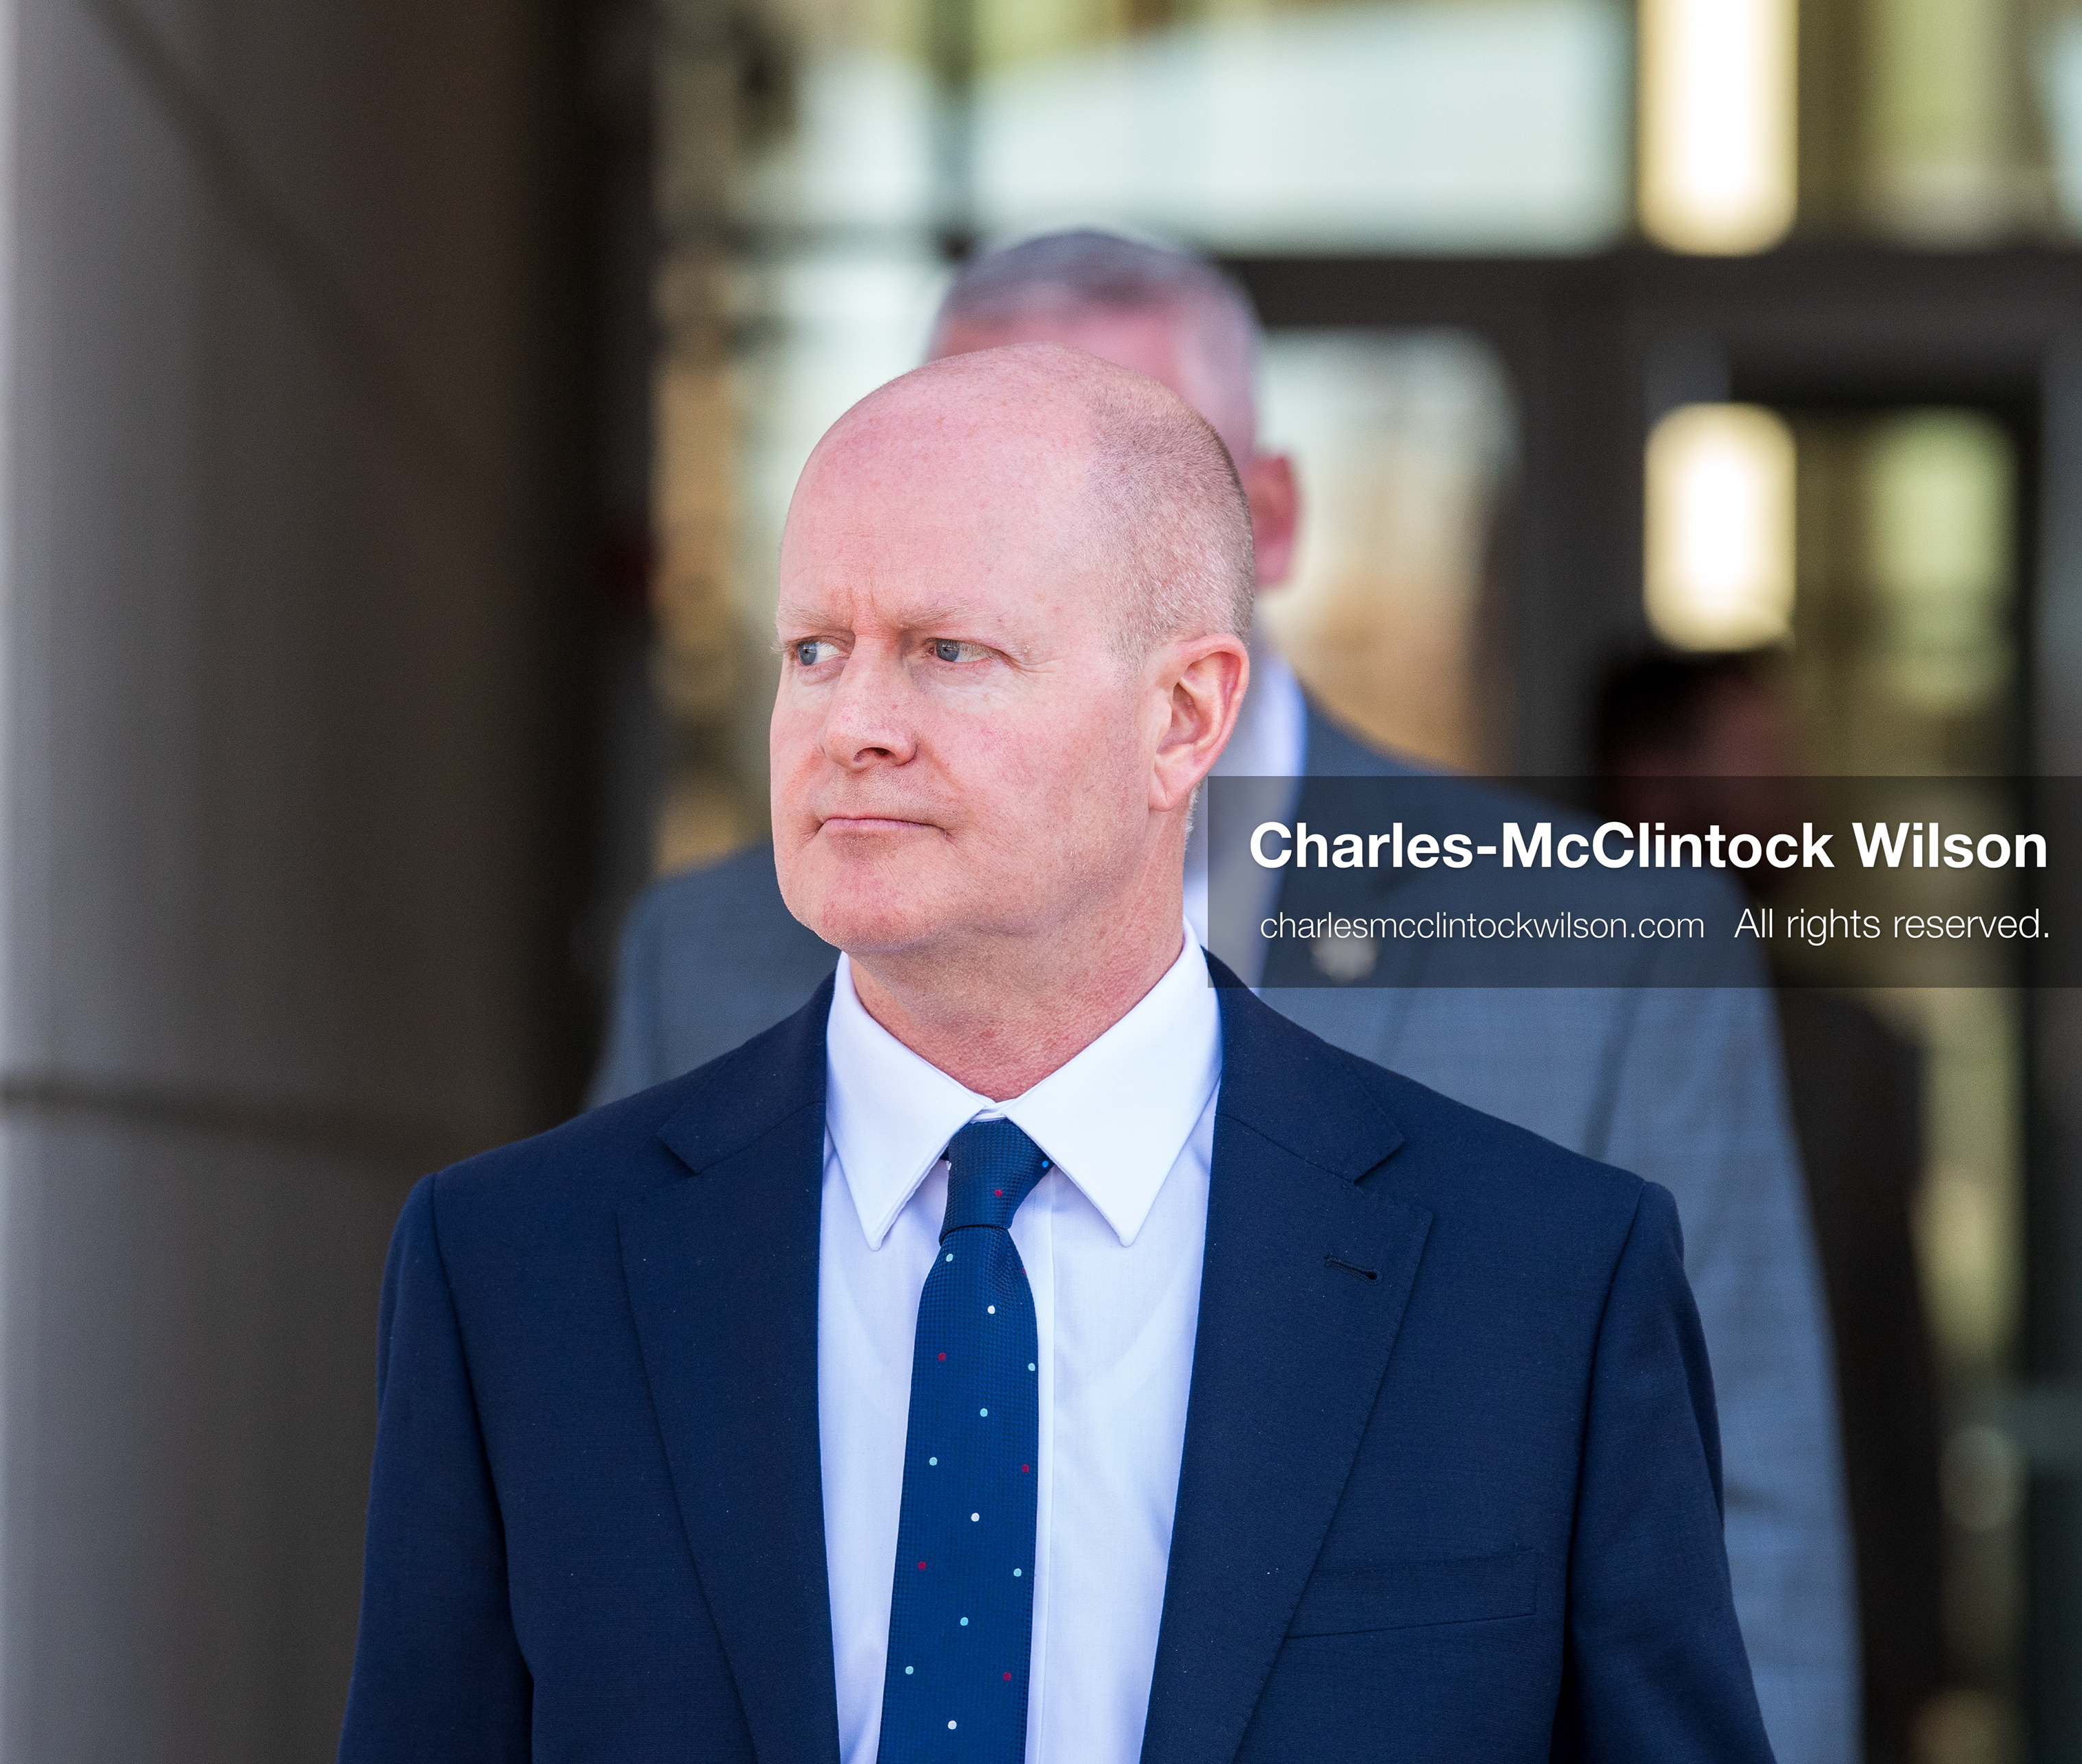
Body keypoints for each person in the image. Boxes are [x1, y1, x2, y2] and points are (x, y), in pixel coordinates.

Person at [342, 345, 1773, 1762]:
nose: (853, 727)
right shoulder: (514, 1269)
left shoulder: (1541, 1285)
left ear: (1184, 715)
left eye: (949, 651)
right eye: (813, 650)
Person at [1598, 651, 1944, 1764]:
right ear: (1651, 785)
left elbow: (1894, 1378)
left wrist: (1919, 1652)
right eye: (1760, 767)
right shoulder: (1526, 1035)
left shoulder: (1852, 1061)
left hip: (1836, 1659)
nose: (1794, 805)